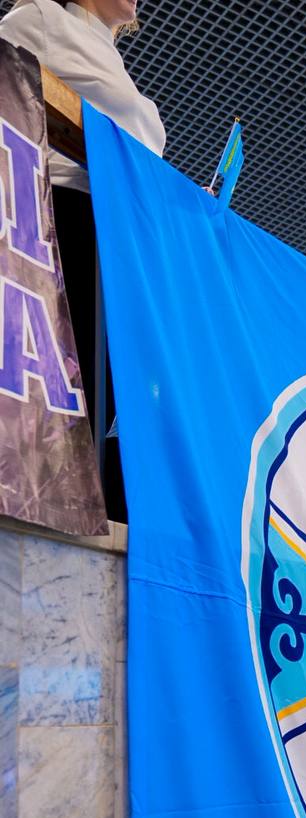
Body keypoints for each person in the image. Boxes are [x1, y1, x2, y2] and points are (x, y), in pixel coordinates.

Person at [0, 0, 166, 519]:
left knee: (102, 396)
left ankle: (79, 510)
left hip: (122, 246)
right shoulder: (44, 19)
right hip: (61, 223)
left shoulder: (119, 69)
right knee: (59, 386)